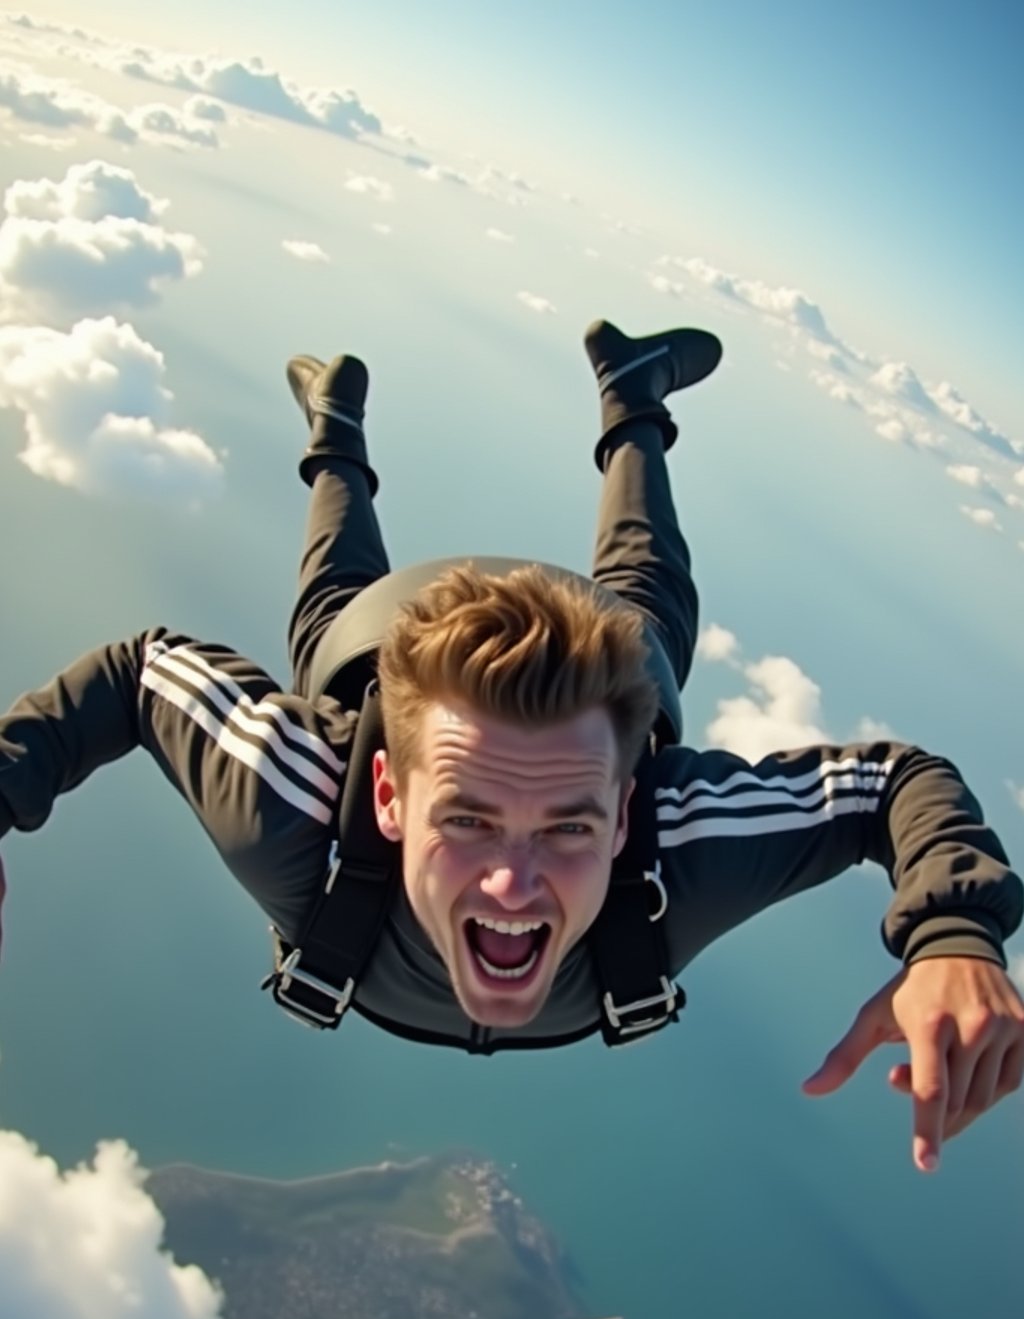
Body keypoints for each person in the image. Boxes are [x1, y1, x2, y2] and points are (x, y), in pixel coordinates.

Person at [0, 320, 1021, 1174]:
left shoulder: (664, 845)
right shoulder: (303, 801)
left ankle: (585, 401)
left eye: (569, 824)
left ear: (626, 813)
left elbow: (897, 785)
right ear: (388, 797)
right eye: (469, 818)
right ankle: (367, 422)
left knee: (360, 617)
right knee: (612, 603)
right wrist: (958, 933)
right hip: (390, 644)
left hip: (463, 652)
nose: (510, 882)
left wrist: (953, 934)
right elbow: (141, 673)